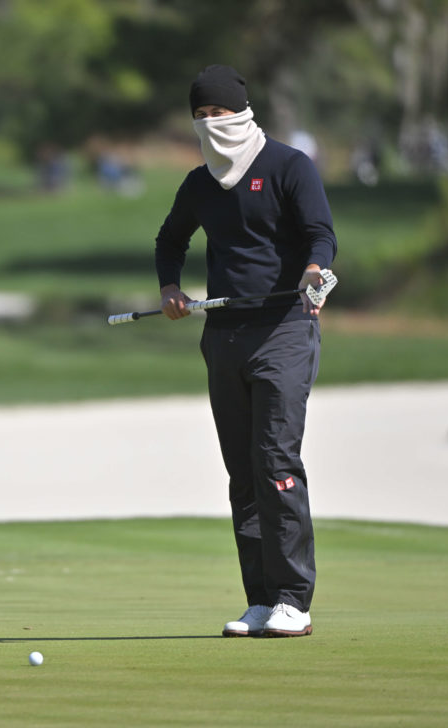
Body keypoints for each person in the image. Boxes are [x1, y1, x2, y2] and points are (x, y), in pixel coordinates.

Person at [153, 65, 337, 638]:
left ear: (244, 111)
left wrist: (314, 271)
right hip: (224, 334)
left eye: (221, 113)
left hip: (284, 327)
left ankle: (293, 601)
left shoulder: (288, 166)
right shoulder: (200, 183)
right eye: (202, 116)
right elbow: (170, 240)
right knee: (242, 471)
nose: (213, 124)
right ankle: (259, 600)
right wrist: (170, 290)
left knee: (276, 463)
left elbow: (321, 233)